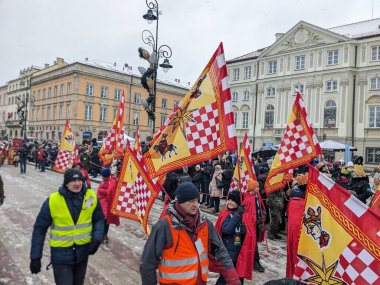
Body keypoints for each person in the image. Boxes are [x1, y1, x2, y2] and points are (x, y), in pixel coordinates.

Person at [140, 182, 241, 285]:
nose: (196, 205)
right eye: (191, 201)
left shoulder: (205, 224)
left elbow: (221, 253)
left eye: (197, 201)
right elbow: (147, 264)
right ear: (180, 202)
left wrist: (234, 281)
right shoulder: (164, 226)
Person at [30, 168, 105, 285]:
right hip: (61, 255)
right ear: (66, 183)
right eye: (73, 180)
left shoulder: (90, 197)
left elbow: (99, 218)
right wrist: (35, 256)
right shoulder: (53, 200)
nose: (77, 183)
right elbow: (39, 229)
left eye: (79, 179)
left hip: (82, 253)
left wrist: (97, 239)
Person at [214, 190, 255, 284]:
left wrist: (243, 232)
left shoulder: (244, 215)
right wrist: (238, 215)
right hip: (228, 253)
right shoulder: (226, 214)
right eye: (229, 200)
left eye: (233, 200)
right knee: (224, 277)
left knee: (239, 278)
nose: (230, 202)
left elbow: (248, 235)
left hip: (239, 253)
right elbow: (226, 230)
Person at [286, 173, 307, 278]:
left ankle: (292, 275)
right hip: (301, 237)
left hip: (293, 235)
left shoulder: (293, 200)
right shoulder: (302, 203)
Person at [96, 167, 120, 243]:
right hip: (101, 202)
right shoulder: (105, 180)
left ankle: (104, 235)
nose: (102, 177)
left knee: (106, 220)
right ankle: (100, 234)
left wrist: (101, 191)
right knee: (101, 219)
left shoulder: (112, 181)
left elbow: (109, 192)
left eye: (103, 176)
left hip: (107, 203)